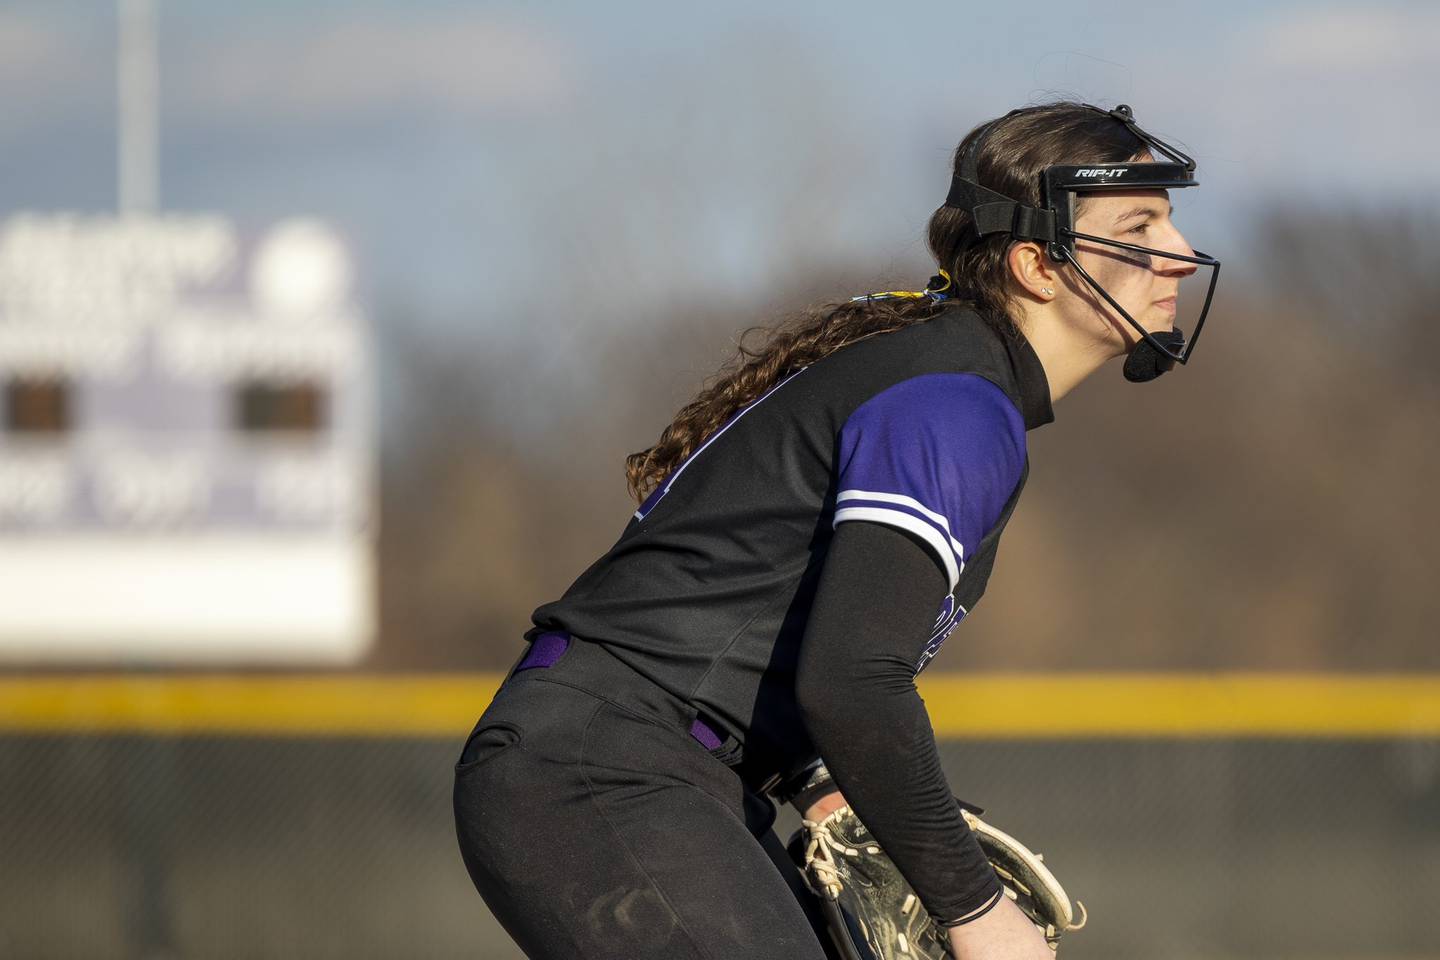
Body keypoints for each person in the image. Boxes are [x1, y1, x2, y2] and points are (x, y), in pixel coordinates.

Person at [452, 100, 1219, 960]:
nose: (1180, 254)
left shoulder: (945, 376)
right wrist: (975, 910)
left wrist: (816, 780)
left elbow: (755, 605)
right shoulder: (958, 404)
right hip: (606, 768)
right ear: (1039, 266)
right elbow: (853, 679)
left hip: (644, 764)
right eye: (1140, 225)